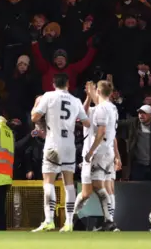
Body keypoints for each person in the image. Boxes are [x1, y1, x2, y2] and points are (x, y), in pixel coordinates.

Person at [31, 73, 90, 232]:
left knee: (48, 182)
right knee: (69, 184)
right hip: (69, 145)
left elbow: (35, 117)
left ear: (53, 83)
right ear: (68, 84)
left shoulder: (48, 96)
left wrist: (36, 106)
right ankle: (69, 222)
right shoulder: (75, 100)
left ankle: (49, 220)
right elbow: (86, 122)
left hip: (53, 143)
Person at [72, 81, 119, 232]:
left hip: (97, 153)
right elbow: (84, 115)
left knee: (102, 187)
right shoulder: (111, 108)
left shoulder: (101, 109)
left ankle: (109, 221)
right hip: (105, 152)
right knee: (87, 192)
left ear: (98, 91)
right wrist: (89, 95)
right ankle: (72, 217)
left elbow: (102, 132)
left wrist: (91, 152)